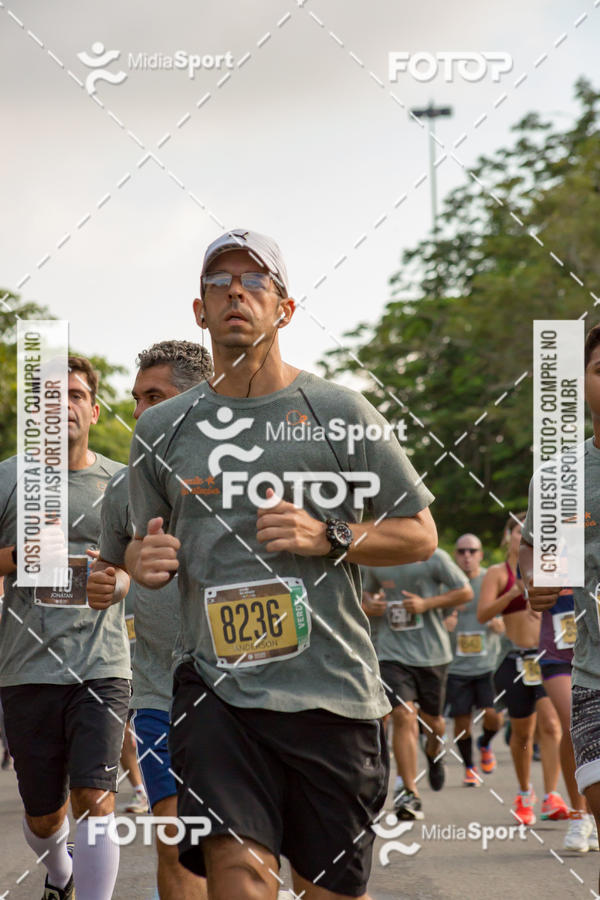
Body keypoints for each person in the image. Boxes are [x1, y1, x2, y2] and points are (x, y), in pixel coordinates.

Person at [125, 228, 438, 900]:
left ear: (285, 309)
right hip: (216, 693)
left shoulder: (340, 412)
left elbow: (418, 535)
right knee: (239, 878)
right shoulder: (160, 428)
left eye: (254, 281)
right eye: (219, 282)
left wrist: (330, 535)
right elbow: (131, 540)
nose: (235, 292)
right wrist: (141, 556)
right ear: (200, 310)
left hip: (331, 694)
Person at [0, 357, 131, 900]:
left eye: (75, 395)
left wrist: (118, 583)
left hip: (101, 665)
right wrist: (17, 557)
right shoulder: (8, 478)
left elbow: (137, 561)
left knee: (95, 797)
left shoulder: (121, 482)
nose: (64, 407)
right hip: (26, 667)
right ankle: (60, 873)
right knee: (44, 814)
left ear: (94, 410)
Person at [88, 340, 212, 899]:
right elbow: (114, 569)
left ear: (197, 399)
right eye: (136, 399)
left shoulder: (250, 471)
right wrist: (106, 585)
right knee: (176, 839)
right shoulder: (125, 485)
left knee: (241, 847)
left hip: (251, 690)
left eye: (153, 398)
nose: (139, 412)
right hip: (162, 692)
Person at [520, 323, 600, 867]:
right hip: (592, 670)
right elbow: (533, 553)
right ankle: (575, 812)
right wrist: (537, 580)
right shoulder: (558, 477)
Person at [363, 549, 472, 820]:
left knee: (434, 723)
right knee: (403, 714)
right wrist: (370, 605)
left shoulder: (434, 557)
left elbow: (465, 592)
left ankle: (434, 752)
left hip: (433, 655)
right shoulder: (378, 557)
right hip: (392, 653)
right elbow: (364, 595)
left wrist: (426, 604)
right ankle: (409, 792)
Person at [478, 515, 567, 827]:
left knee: (552, 725)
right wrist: (511, 594)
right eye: (520, 530)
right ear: (508, 536)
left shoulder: (550, 567)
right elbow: (482, 614)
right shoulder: (497, 573)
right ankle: (524, 792)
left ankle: (552, 795)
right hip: (513, 659)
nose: (527, 534)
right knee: (522, 733)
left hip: (547, 658)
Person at [445, 534, 504, 786]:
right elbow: (433, 614)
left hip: (487, 664)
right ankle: (469, 768)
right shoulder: (447, 583)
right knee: (462, 722)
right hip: (457, 667)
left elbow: (507, 613)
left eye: (472, 551)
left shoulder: (490, 581)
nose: (467, 556)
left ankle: (485, 743)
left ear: (480, 554)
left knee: (493, 716)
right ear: (455, 556)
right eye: (461, 551)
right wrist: (444, 624)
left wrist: (500, 624)